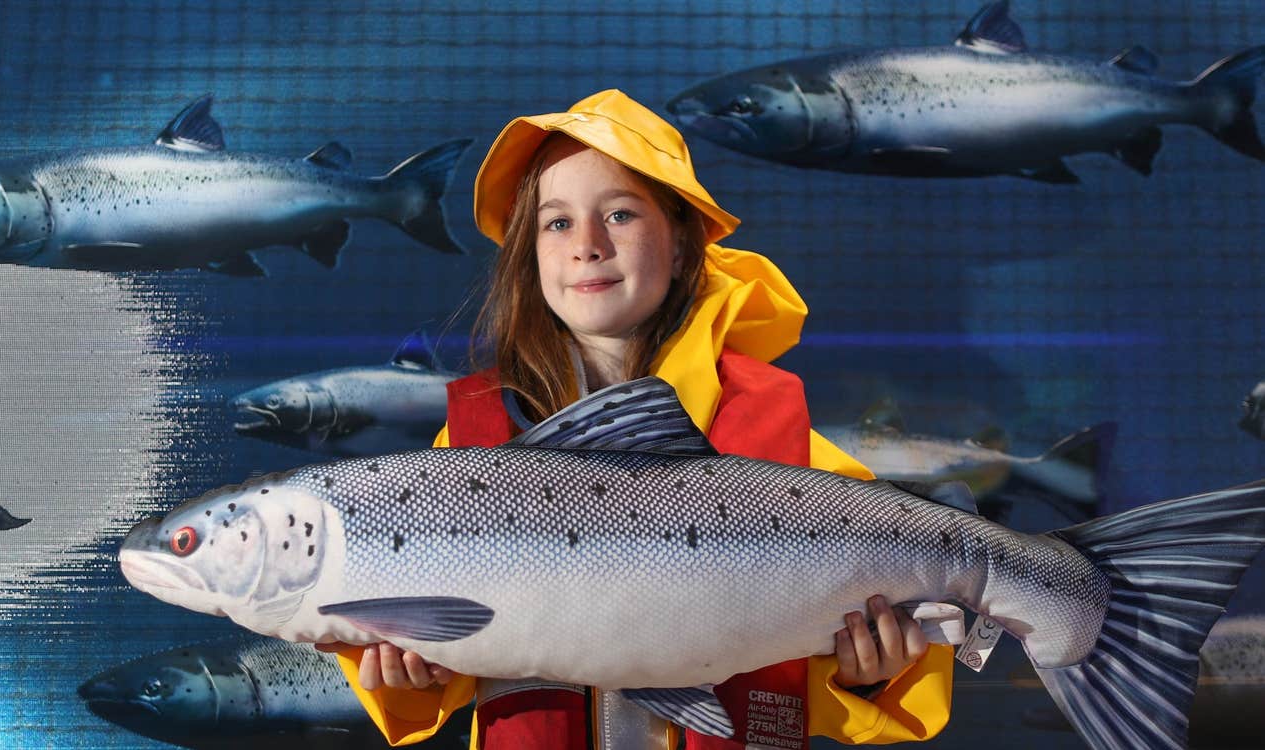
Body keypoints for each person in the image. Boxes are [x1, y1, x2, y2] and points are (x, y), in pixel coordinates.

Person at [320, 89, 955, 749]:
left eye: (619, 214)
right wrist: (407, 675)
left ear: (683, 245)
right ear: (528, 255)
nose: (587, 245)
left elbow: (886, 613)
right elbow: (446, 654)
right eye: (556, 222)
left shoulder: (782, 443)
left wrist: (870, 675)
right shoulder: (473, 442)